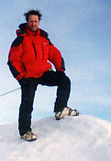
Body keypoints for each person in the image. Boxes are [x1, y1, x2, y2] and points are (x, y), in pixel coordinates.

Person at [7, 10, 79, 141]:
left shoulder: (44, 39)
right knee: (27, 103)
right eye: (31, 21)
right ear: (27, 22)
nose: (33, 23)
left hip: (44, 72)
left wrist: (60, 69)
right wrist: (20, 78)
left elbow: (55, 54)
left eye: (36, 21)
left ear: (38, 22)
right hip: (28, 77)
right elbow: (12, 61)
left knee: (64, 80)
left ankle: (60, 109)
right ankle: (25, 132)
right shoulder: (20, 39)